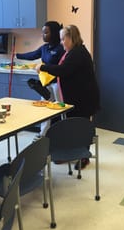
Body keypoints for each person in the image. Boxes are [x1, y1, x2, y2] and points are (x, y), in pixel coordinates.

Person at [36, 24, 100, 168]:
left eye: (63, 39)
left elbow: (63, 70)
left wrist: (43, 67)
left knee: (81, 129)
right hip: (77, 99)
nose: (61, 42)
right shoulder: (73, 51)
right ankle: (71, 154)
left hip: (84, 100)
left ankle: (83, 157)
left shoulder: (78, 53)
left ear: (71, 38)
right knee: (73, 129)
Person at [16, 20, 65, 136]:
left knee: (62, 108)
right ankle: (42, 135)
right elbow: (32, 55)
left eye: (46, 33)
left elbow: (62, 67)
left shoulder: (60, 48)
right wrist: (17, 55)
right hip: (46, 84)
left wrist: (44, 67)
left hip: (58, 84)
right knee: (45, 109)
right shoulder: (44, 48)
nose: (43, 35)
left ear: (54, 33)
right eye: (43, 33)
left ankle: (65, 132)